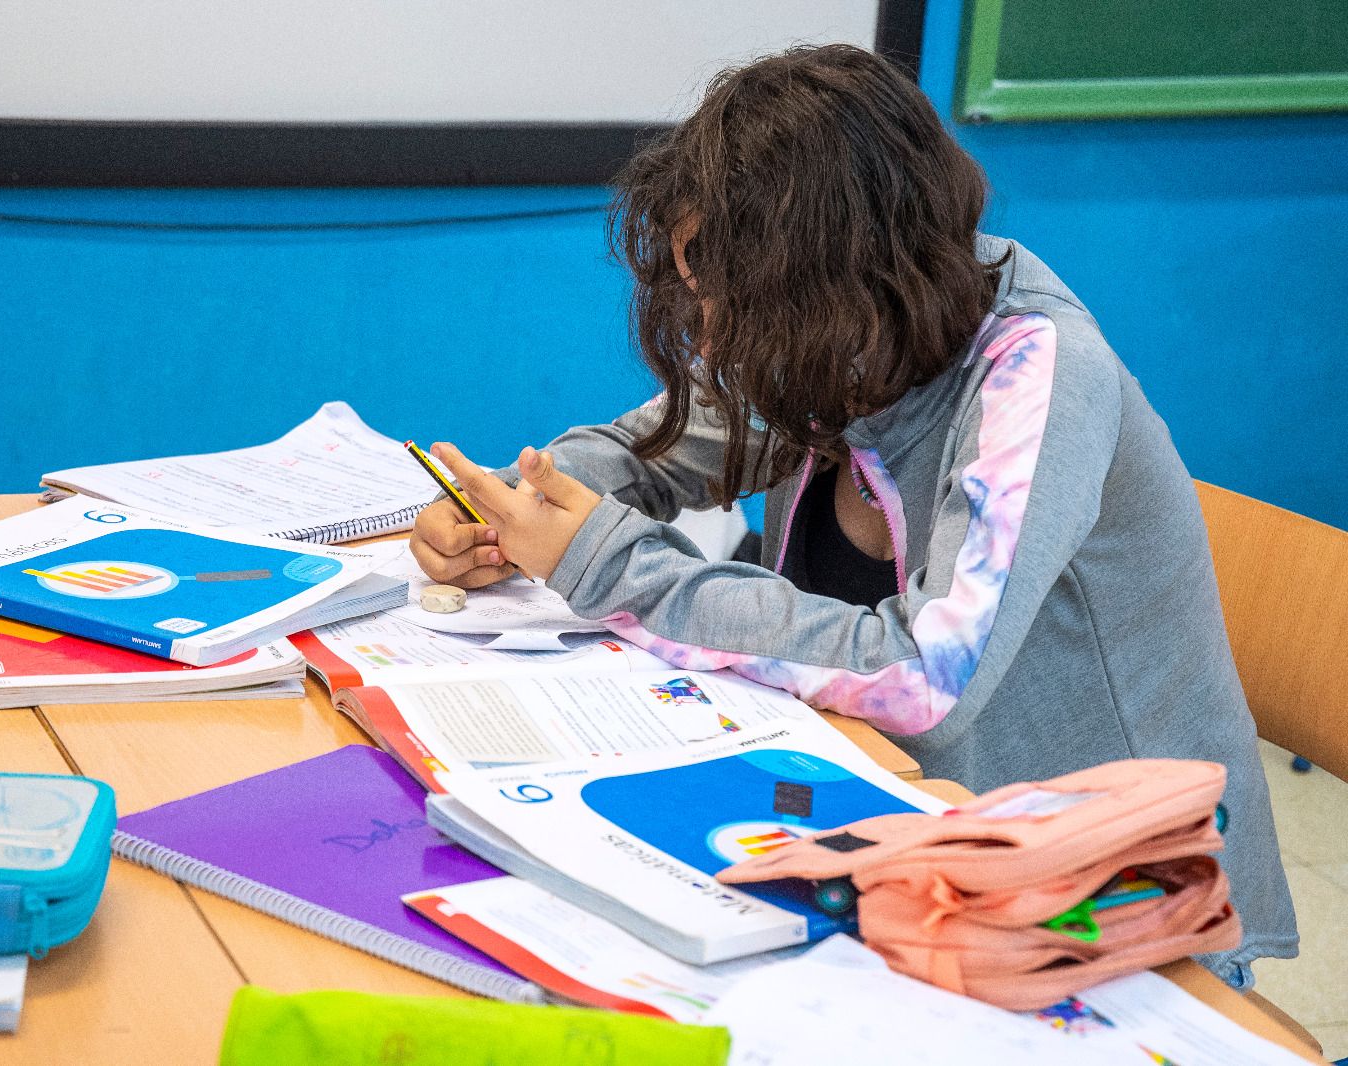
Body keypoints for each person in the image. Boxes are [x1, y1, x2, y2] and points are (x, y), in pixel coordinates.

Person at [409, 44, 1296, 988]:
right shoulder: (847, 329)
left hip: (1102, 903)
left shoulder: (1040, 377)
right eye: (701, 299)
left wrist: (606, 563)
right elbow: (668, 444)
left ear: (843, 277)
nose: (710, 338)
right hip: (896, 826)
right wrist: (519, 504)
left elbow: (926, 679)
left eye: (736, 304)